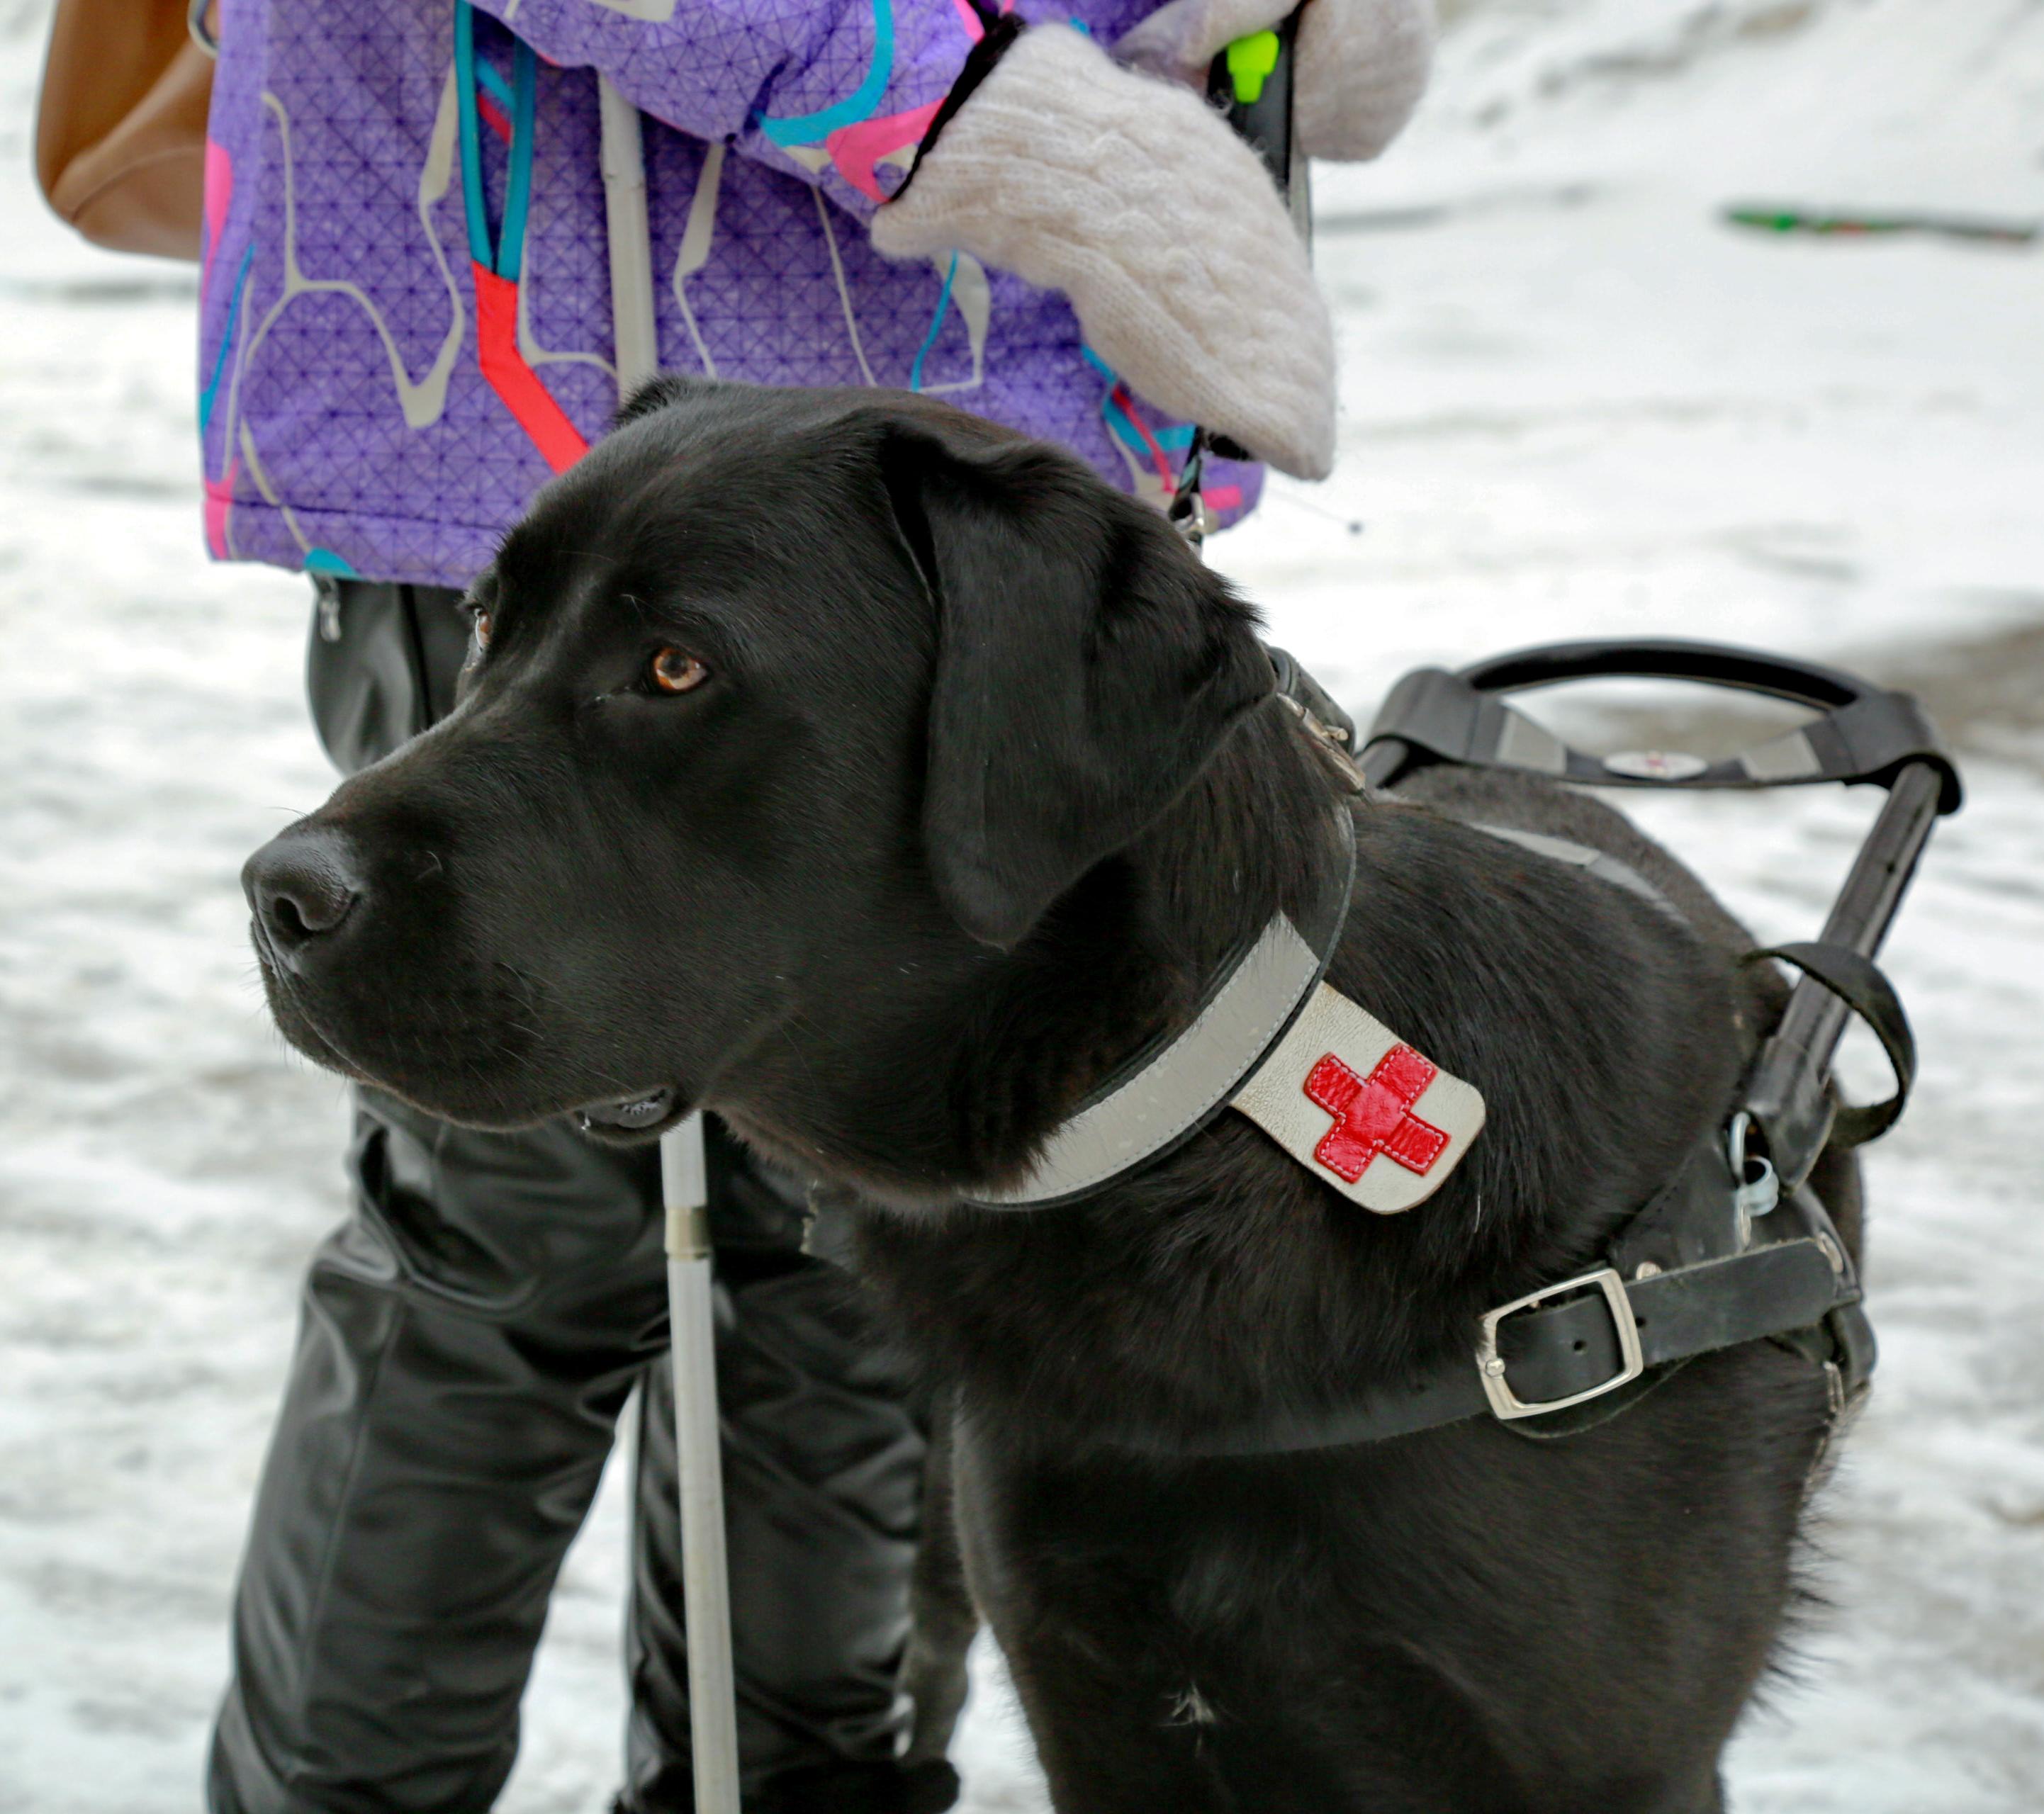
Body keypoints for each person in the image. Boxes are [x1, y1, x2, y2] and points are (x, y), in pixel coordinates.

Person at [181, 0, 1434, 1810]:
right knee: (516, 1241)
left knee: (886, 1226)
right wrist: (995, 122)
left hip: (972, 492)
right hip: (585, 399)